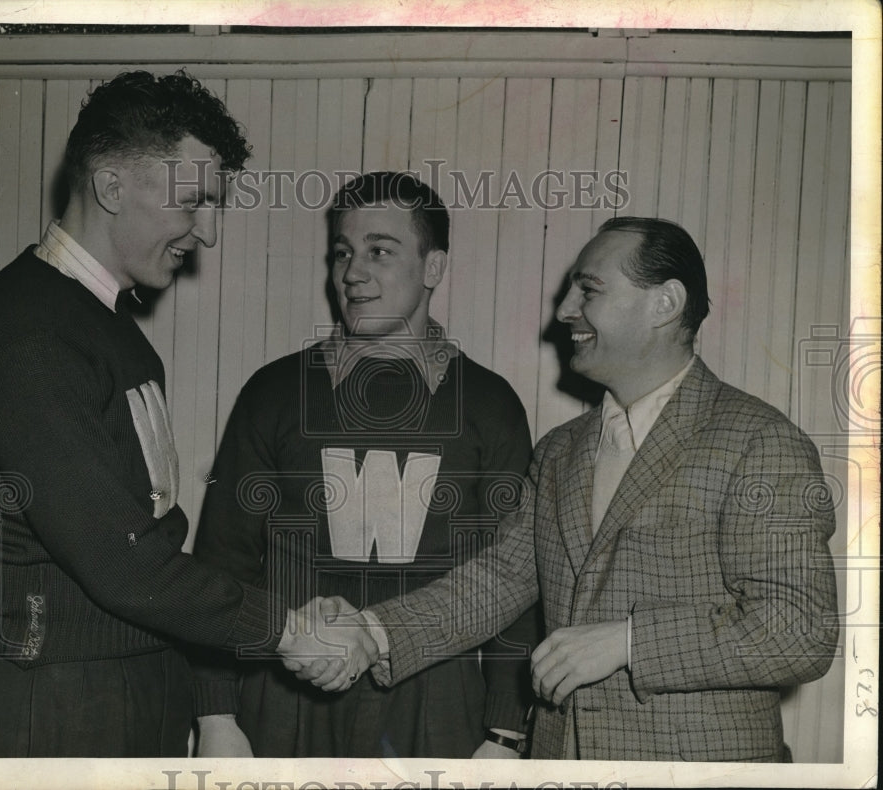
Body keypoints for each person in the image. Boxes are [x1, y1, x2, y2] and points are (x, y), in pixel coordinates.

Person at [0, 69, 375, 759]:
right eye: (193, 202)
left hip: (127, 690)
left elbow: (153, 548)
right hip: (51, 711)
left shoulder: (109, 330)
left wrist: (215, 696)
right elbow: (125, 564)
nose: (209, 232)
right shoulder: (26, 334)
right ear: (112, 187)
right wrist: (288, 630)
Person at [309, 216, 839, 761]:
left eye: (588, 289)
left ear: (665, 303)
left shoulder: (761, 442)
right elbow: (498, 580)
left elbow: (800, 631)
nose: (564, 310)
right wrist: (373, 630)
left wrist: (629, 642)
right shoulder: (562, 449)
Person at [192, 171, 541, 758]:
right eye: (343, 253)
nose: (353, 273)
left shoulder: (489, 404)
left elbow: (514, 581)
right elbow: (222, 564)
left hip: (436, 702)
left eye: (380, 251)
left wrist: (505, 731)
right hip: (283, 701)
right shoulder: (275, 392)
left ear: (433, 268)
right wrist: (215, 715)